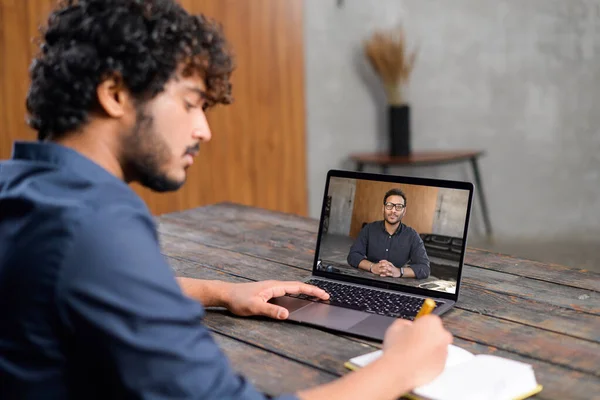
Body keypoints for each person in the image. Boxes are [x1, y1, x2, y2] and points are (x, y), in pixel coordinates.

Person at [0, 1, 451, 399]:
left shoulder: (17, 187)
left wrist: (220, 291)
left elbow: (81, 283)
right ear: (115, 94)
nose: (204, 130)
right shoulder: (96, 227)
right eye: (191, 103)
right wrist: (400, 367)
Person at [347, 189, 431, 279]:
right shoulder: (369, 229)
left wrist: (399, 271)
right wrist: (372, 267)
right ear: (383, 208)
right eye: (389, 206)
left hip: (396, 285)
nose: (393, 211)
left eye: (398, 207)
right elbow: (353, 256)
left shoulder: (412, 236)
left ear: (404, 211)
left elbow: (424, 268)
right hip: (369, 279)